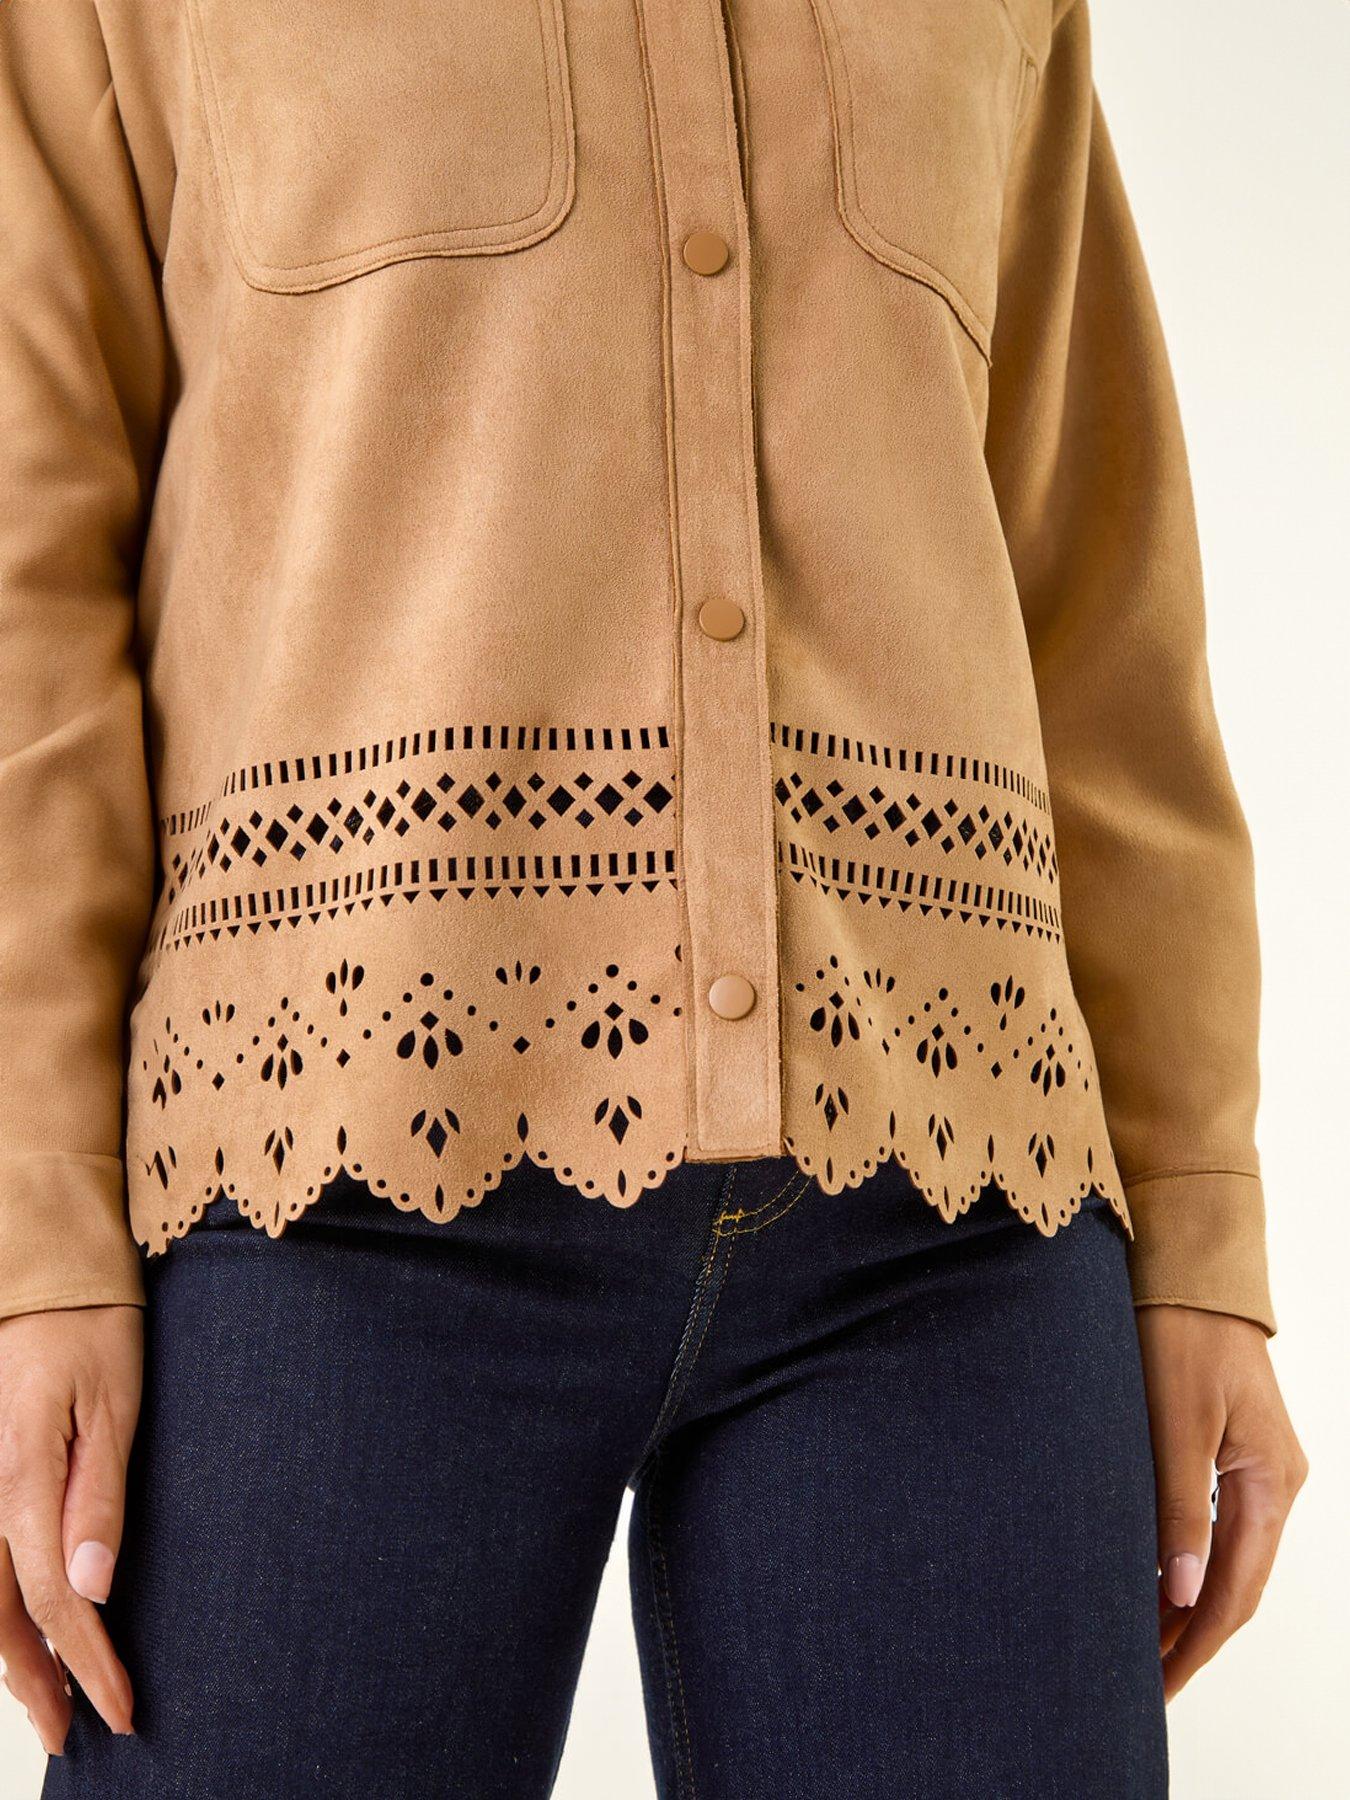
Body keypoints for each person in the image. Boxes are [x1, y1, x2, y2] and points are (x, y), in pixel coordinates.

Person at [0, 2, 1307, 1795]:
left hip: (951, 1201)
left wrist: (1198, 1223)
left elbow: (1099, 605)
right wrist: (33, 1242)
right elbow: (25, 587)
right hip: (334, 1181)